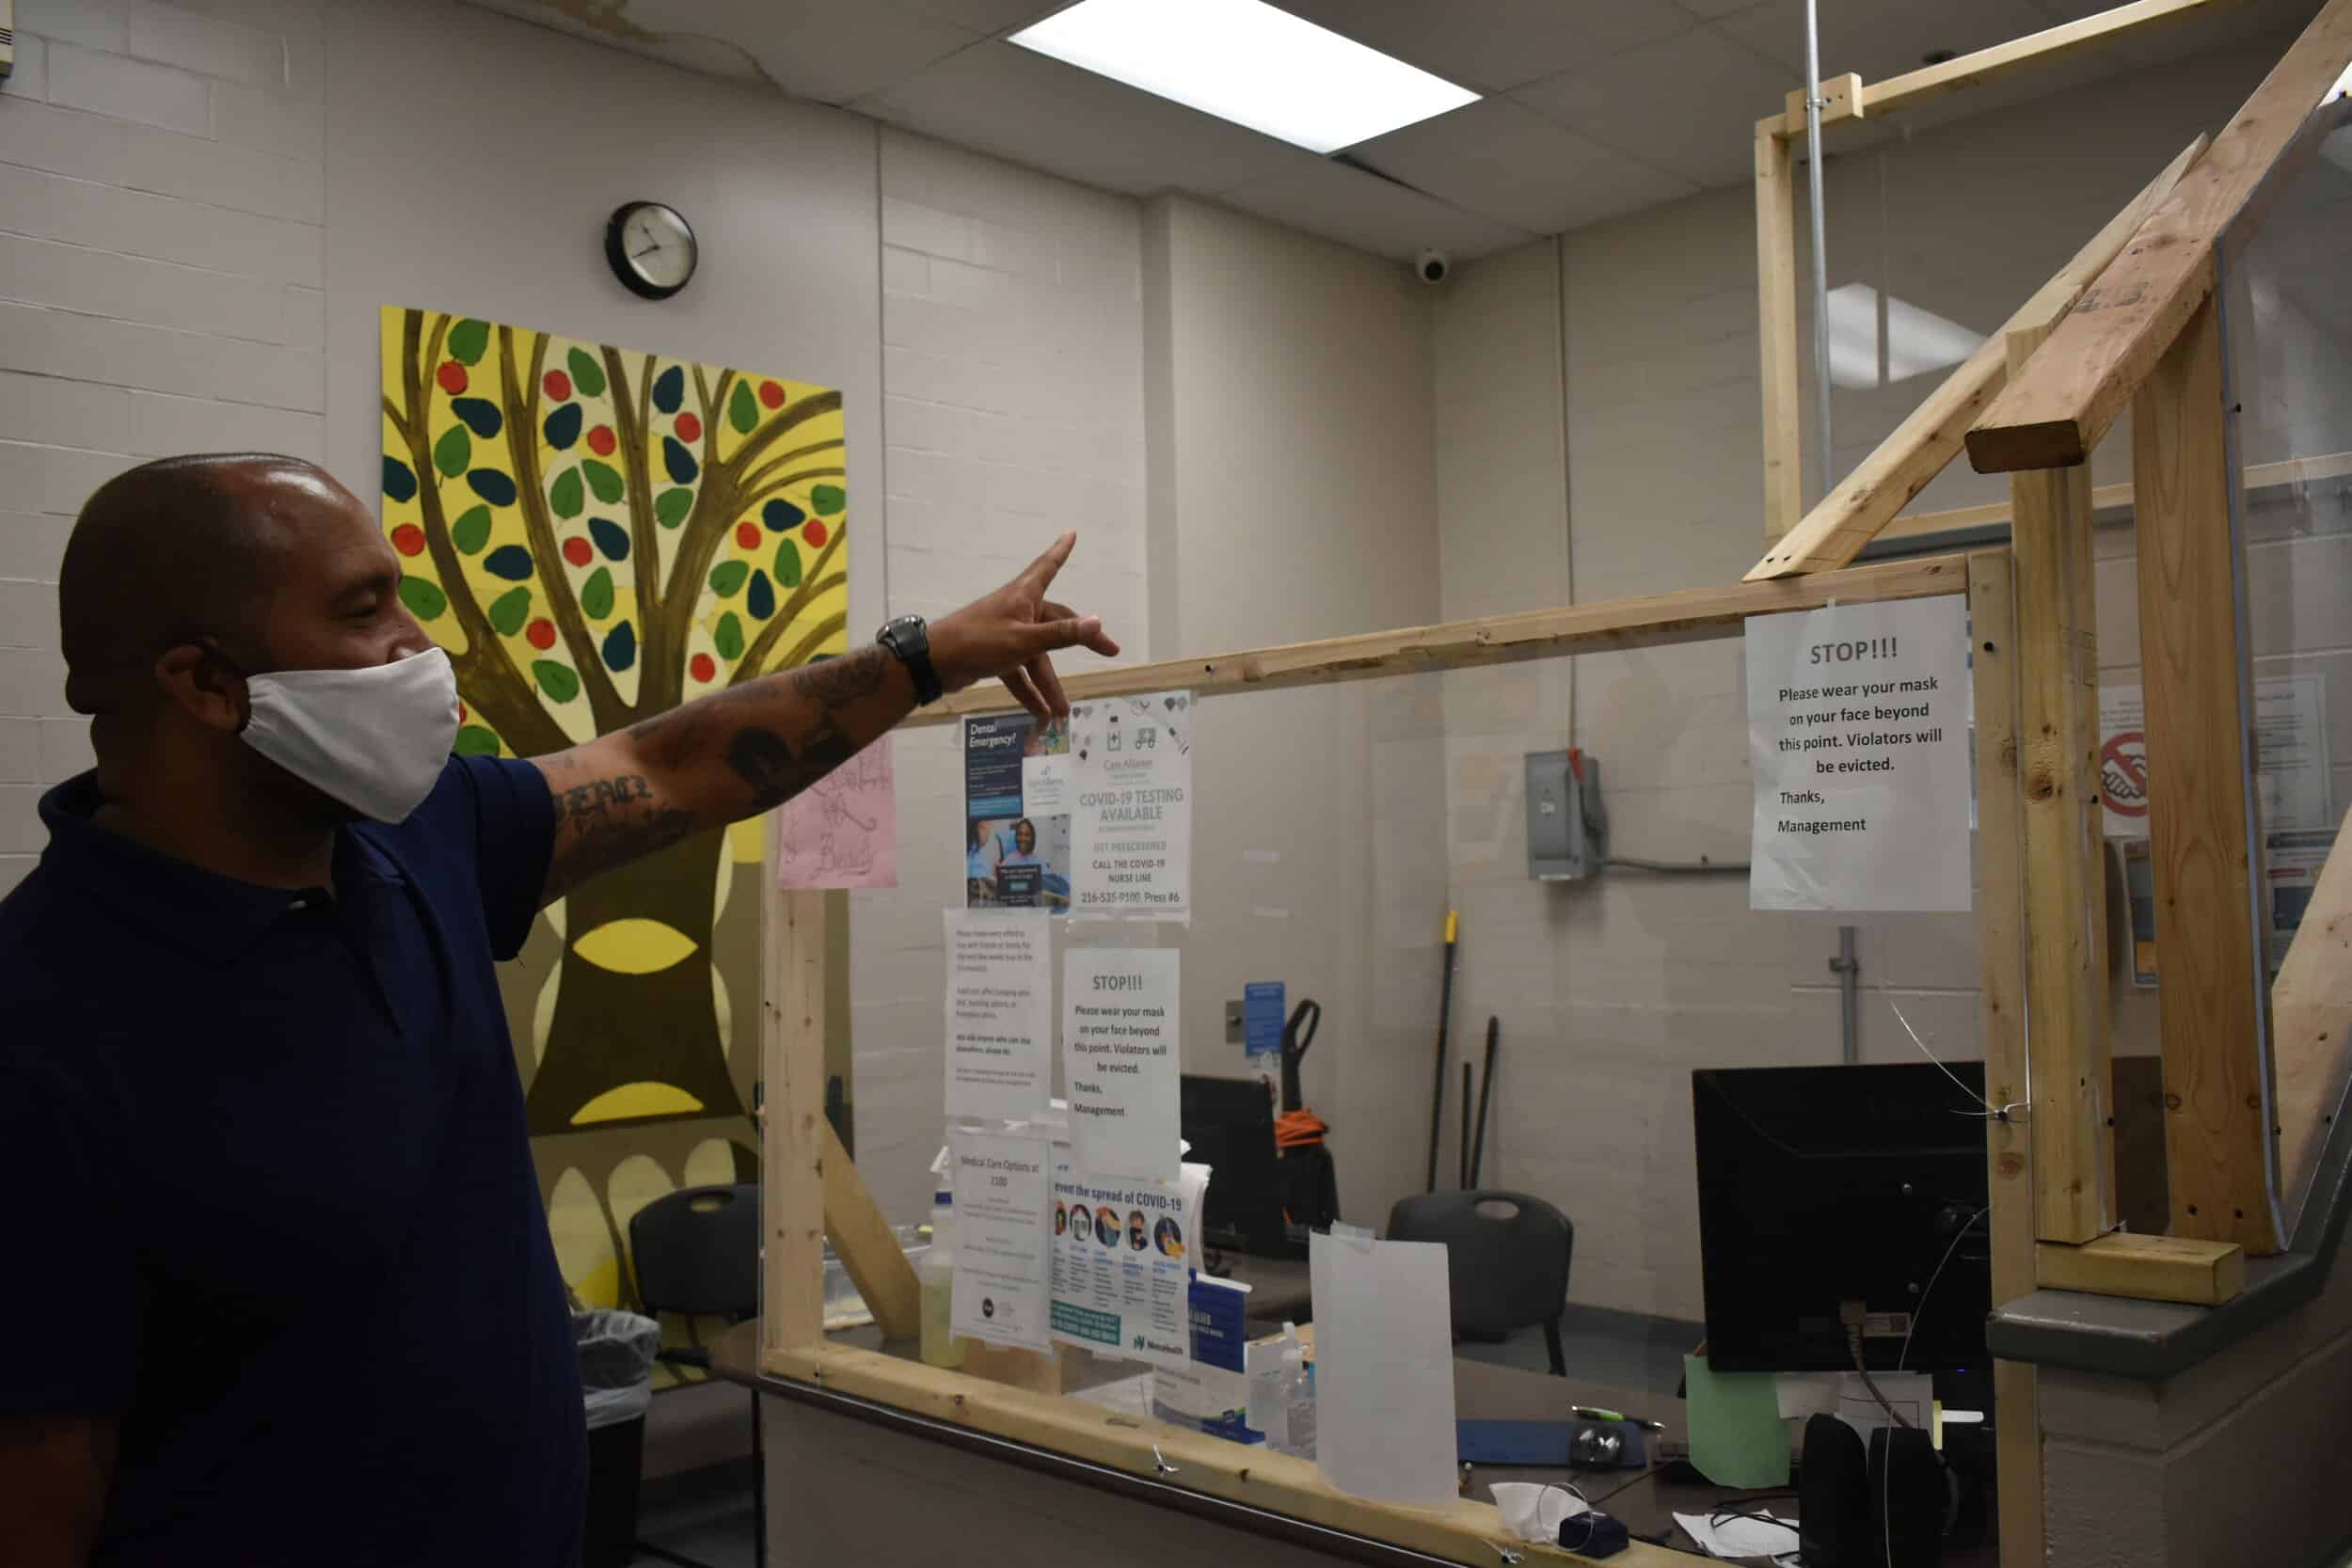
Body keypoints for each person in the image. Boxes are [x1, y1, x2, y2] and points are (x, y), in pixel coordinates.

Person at [0, 454, 1120, 1568]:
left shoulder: (417, 834)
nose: (416, 645)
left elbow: (665, 765)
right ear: (203, 683)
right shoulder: (44, 1020)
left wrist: (923, 658)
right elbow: (41, 1485)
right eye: (363, 608)